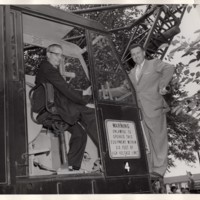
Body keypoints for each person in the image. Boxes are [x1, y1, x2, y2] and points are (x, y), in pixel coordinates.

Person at [106, 43, 174, 178]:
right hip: (140, 111)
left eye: (138, 53)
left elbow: (169, 68)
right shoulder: (131, 73)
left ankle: (159, 169)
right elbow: (123, 89)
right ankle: (149, 169)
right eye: (133, 54)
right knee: (146, 141)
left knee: (158, 138)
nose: (136, 56)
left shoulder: (154, 63)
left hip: (154, 107)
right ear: (131, 57)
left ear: (143, 53)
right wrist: (104, 91)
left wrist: (162, 86)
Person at [34, 44, 98, 171]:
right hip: (51, 109)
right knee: (91, 113)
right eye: (56, 54)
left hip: (55, 109)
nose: (59, 58)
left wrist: (82, 95)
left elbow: (64, 91)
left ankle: (71, 167)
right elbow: (65, 90)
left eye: (61, 55)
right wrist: (83, 98)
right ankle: (108, 151)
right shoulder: (47, 68)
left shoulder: (49, 70)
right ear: (48, 54)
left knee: (80, 133)